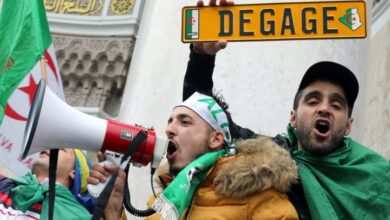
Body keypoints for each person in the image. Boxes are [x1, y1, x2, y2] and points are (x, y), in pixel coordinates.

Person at [183, 21, 390, 220]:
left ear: (348, 126)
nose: (324, 109)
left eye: (336, 105)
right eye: (313, 101)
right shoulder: (267, 156)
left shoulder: (374, 175)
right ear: (293, 117)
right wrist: (201, 57)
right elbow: (205, 120)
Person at [89, 92, 299, 220]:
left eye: (184, 122)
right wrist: (114, 210)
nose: (170, 129)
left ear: (216, 139)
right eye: (170, 121)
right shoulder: (162, 203)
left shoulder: (258, 197)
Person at [0, 149, 95, 219]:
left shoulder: (80, 217)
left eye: (61, 148)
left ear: (74, 172)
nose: (48, 147)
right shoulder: (4, 184)